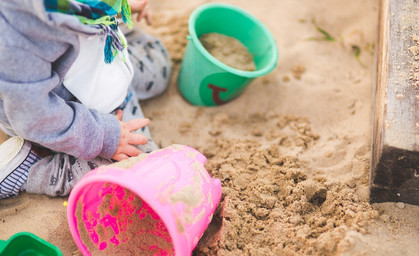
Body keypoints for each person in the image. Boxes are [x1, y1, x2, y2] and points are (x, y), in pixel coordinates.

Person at [0, 0, 172, 199]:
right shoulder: (15, 43)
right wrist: (105, 137)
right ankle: (30, 169)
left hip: (99, 61)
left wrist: (117, 9)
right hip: (68, 118)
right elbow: (36, 119)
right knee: (143, 169)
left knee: (159, 67)